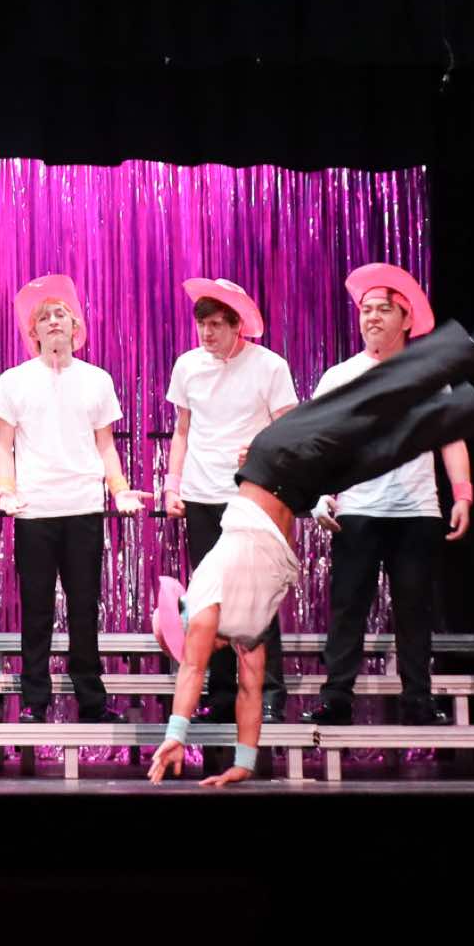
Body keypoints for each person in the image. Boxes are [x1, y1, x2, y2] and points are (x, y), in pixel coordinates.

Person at [146, 318, 474, 786]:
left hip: (275, 459)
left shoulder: (205, 606)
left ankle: (471, 348)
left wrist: (175, 735)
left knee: (366, 404)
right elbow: (249, 693)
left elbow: (191, 670)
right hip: (297, 485)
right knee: (383, 450)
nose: (194, 648)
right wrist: (243, 764)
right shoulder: (245, 635)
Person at [303, 264, 474, 728]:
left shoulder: (428, 375)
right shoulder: (341, 376)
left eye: (383, 309)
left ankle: (418, 699)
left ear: (406, 319)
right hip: (357, 509)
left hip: (416, 510)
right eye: (366, 310)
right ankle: (337, 697)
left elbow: (451, 437)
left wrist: (462, 494)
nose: (372, 317)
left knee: (415, 610)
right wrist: (318, 495)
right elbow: (316, 443)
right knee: (348, 608)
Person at [0, 274, 150, 725]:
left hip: (83, 507)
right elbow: (3, 445)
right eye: (45, 317)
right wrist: (8, 489)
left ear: (76, 326)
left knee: (84, 608)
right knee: (36, 609)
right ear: (34, 331)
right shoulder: (14, 381)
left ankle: (92, 701)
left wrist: (118, 489)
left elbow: (106, 445)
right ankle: (34, 702)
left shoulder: (97, 380)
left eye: (62, 314)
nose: (54, 321)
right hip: (34, 510)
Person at [163, 277, 298, 723]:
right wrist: (173, 485)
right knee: (210, 597)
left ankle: (268, 694)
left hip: (250, 495)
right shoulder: (187, 366)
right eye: (202, 324)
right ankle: (221, 696)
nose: (207, 333)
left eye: (216, 324)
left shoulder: (269, 366)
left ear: (238, 325)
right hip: (201, 496)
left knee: (255, 595)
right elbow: (182, 430)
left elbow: (289, 429)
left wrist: (260, 449)